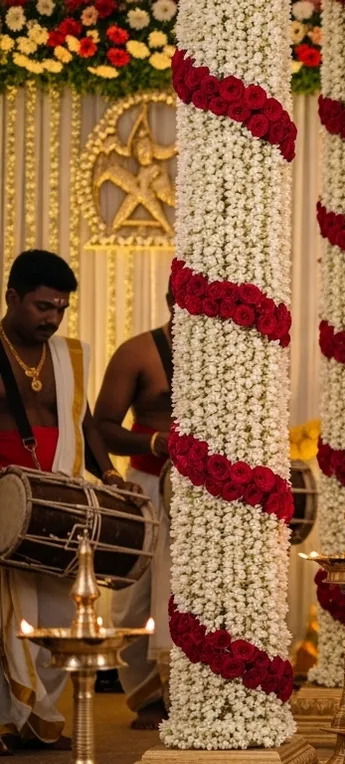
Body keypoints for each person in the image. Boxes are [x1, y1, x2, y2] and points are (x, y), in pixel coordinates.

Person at [0, 250, 136, 754]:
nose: (53, 319)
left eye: (60, 309)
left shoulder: (68, 355)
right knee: (3, 615)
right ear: (12, 297)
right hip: (5, 500)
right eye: (42, 307)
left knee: (60, 611)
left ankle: (36, 720)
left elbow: (82, 422)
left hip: (58, 501)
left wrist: (109, 475)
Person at [93, 281, 175, 729]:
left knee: (188, 594)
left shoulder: (229, 348)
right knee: (132, 600)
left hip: (206, 493)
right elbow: (102, 427)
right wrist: (155, 441)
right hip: (146, 485)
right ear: (170, 302)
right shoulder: (138, 352)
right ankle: (146, 698)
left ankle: (190, 692)